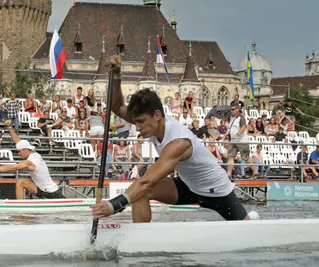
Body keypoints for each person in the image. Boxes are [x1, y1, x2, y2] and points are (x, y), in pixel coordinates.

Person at [92, 57, 249, 223]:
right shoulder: (151, 122)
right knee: (141, 193)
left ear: (157, 115)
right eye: (135, 121)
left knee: (248, 231)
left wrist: (112, 206)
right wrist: (116, 76)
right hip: (188, 186)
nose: (137, 127)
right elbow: (117, 107)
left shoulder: (178, 141)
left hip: (218, 192)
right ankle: (141, 243)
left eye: (140, 122)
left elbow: (146, 181)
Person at [0, 128, 63, 199]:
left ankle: (20, 207)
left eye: (19, 151)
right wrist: (10, 128)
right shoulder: (34, 153)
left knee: (21, 182)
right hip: (46, 188)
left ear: (25, 150)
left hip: (50, 192)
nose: (18, 154)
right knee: (22, 181)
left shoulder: (29, 162)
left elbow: (12, 168)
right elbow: (18, 142)